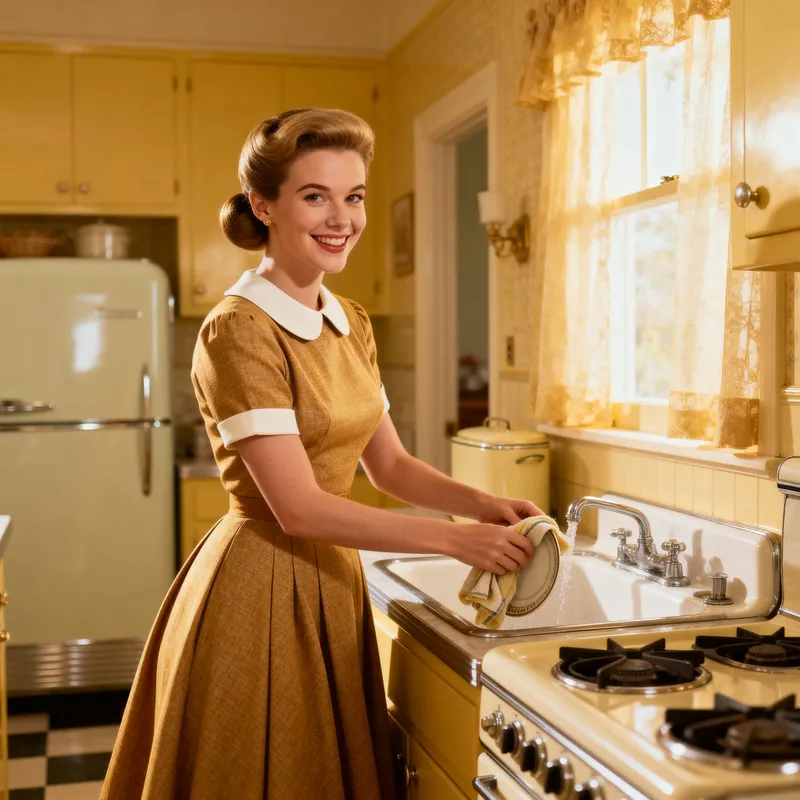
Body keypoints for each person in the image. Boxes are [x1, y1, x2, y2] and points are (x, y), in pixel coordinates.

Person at [101, 107, 540, 799]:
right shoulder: (239, 330)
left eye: (354, 195)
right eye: (316, 196)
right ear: (264, 205)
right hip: (262, 584)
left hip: (331, 582)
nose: (342, 218)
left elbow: (389, 466)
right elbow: (300, 509)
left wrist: (482, 504)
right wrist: (461, 543)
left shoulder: (351, 321)